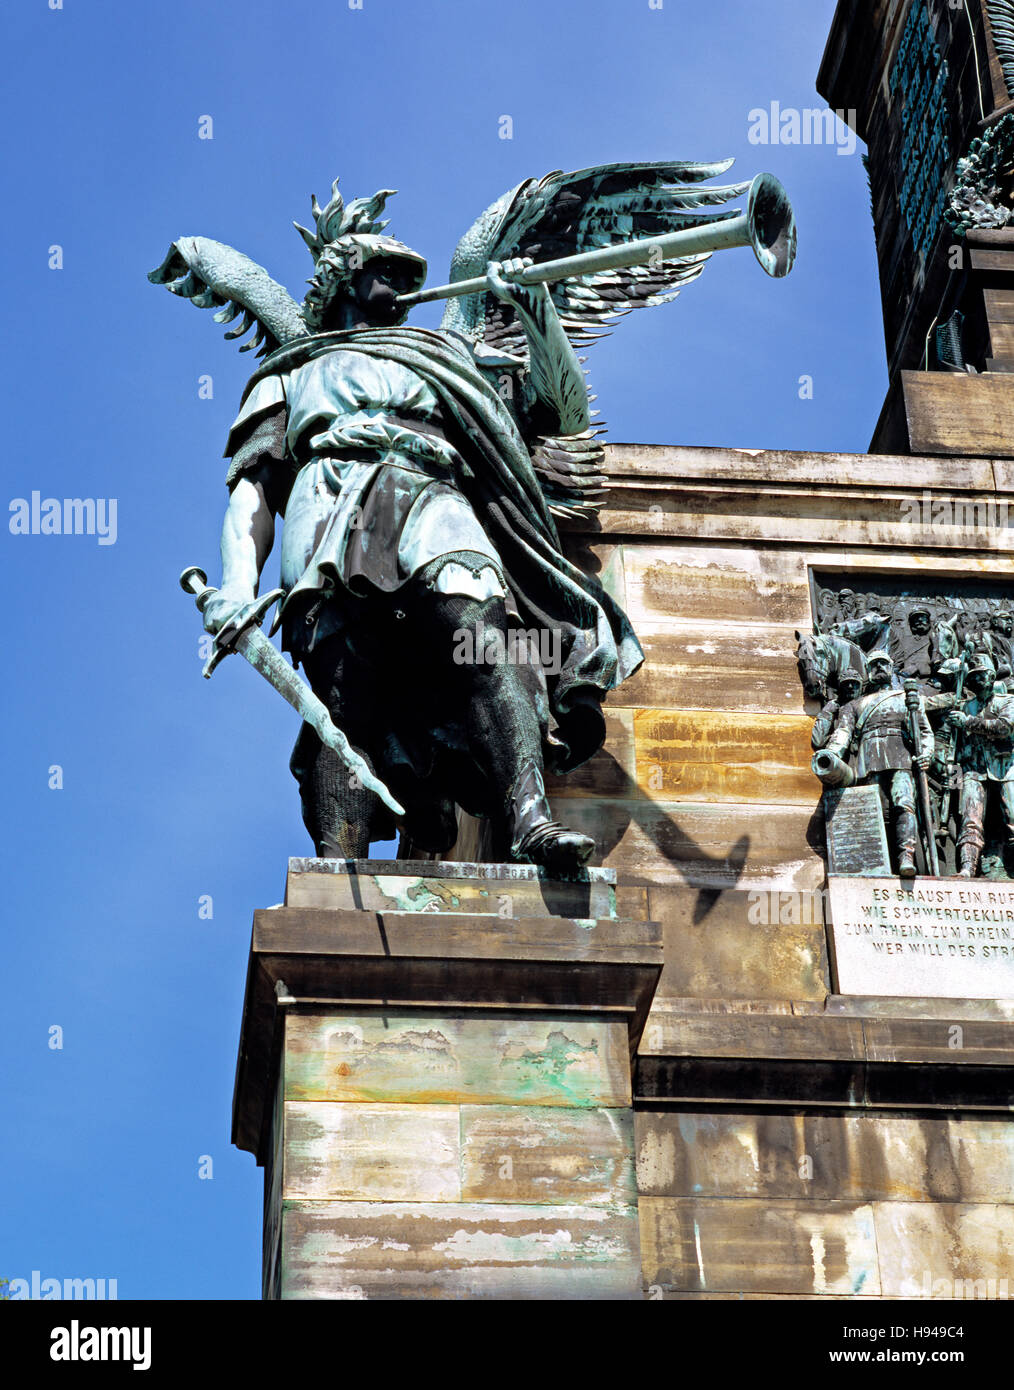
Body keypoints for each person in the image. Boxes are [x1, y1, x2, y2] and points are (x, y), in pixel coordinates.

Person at [200, 192, 642, 875]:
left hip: (430, 490)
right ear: (346, 278)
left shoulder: (446, 353)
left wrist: (535, 314)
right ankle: (336, 863)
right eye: (390, 273)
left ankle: (529, 817)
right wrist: (236, 583)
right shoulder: (291, 372)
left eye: (412, 277)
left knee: (482, 634)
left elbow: (563, 409)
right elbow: (254, 488)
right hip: (330, 500)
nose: (407, 287)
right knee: (344, 692)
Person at [823, 650, 933, 877]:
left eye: (883, 664)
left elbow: (924, 731)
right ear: (868, 671)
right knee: (874, 813)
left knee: (904, 804)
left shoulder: (905, 697)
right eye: (874, 665)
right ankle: (877, 861)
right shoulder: (853, 705)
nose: (879, 668)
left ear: (891, 668)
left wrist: (927, 753)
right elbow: (842, 734)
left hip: (900, 758)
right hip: (868, 760)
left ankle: (906, 856)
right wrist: (831, 755)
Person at [947, 653, 1014, 878]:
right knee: (970, 820)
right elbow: (955, 751)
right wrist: (953, 783)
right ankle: (967, 869)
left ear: (992, 676)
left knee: (1013, 818)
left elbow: (1005, 728)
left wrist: (968, 722)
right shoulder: (963, 707)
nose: (975, 680)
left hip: (1004, 769)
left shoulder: (1007, 702)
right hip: (972, 771)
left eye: (980, 675)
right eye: (972, 677)